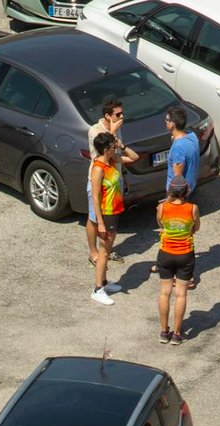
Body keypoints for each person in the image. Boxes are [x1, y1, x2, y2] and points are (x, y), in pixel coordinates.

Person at [87, 100, 138, 267]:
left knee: (111, 217)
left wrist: (123, 175)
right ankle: (94, 252)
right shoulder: (95, 131)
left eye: (122, 113)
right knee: (95, 219)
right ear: (107, 116)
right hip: (99, 180)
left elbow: (118, 155)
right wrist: (113, 132)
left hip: (114, 179)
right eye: (118, 114)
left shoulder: (118, 129)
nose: (122, 116)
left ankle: (106, 249)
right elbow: (99, 156)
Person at [156, 179, 200, 345]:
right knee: (181, 293)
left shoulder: (162, 208)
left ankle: (163, 331)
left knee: (164, 292)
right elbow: (196, 228)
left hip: (166, 253)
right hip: (185, 254)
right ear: (186, 191)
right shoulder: (192, 208)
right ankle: (176, 334)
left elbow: (160, 224)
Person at [89, 132, 126, 306]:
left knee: (107, 251)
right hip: (107, 213)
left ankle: (104, 283)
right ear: (105, 149)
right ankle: (97, 289)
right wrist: (101, 222)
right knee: (104, 252)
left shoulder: (111, 161)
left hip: (116, 211)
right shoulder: (98, 168)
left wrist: (121, 146)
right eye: (112, 147)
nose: (115, 148)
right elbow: (95, 197)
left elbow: (133, 157)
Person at [164, 106, 200, 193]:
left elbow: (177, 181)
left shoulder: (178, 147)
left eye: (166, 119)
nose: (165, 121)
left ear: (172, 124)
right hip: (191, 186)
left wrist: (168, 200)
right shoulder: (192, 136)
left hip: (179, 195)